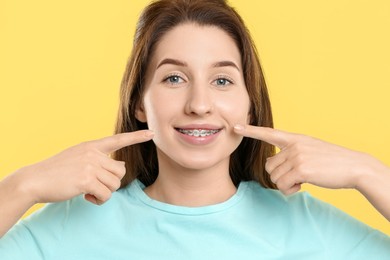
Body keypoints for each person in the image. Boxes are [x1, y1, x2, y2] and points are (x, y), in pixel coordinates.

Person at [0, 0, 389, 258]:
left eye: (222, 81)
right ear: (140, 103)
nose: (199, 104)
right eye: (173, 78)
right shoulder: (72, 224)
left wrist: (368, 173)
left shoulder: (306, 224)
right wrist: (22, 186)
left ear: (249, 103)